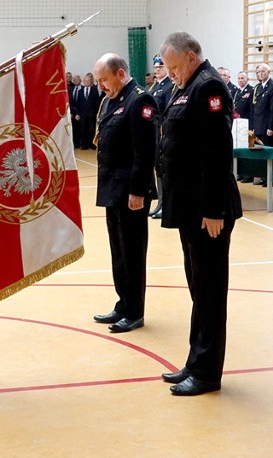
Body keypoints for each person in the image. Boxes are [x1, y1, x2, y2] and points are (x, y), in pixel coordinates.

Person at [158, 32, 242, 396]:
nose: (171, 73)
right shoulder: (186, 87)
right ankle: (196, 361)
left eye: (175, 66)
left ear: (191, 57)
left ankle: (208, 373)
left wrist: (213, 210)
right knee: (198, 289)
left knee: (209, 291)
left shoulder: (209, 88)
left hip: (208, 212)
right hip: (190, 208)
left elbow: (217, 154)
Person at [91, 53, 157, 333]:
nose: (101, 86)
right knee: (118, 251)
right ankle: (123, 303)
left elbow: (145, 152)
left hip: (131, 191)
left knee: (132, 252)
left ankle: (134, 311)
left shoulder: (139, 99)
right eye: (98, 81)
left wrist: (138, 191)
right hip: (112, 188)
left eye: (104, 80)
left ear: (119, 73)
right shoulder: (111, 100)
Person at [148, 54, 174, 220]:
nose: (157, 70)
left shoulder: (168, 87)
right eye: (156, 67)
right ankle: (160, 204)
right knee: (158, 169)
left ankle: (166, 206)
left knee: (164, 170)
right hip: (154, 131)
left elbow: (166, 111)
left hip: (162, 131)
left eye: (160, 67)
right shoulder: (154, 87)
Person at [250, 63, 273, 186]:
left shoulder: (271, 86)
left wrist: (271, 127)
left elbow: (272, 109)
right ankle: (263, 176)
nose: (260, 74)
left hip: (267, 126)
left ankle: (269, 178)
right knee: (260, 153)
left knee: (268, 152)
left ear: (268, 72)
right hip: (258, 125)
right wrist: (253, 126)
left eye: (262, 72)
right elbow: (255, 109)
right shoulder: (258, 87)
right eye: (258, 72)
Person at [75, 74, 99, 149]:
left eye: (88, 80)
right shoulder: (80, 91)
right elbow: (77, 104)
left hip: (92, 114)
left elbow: (97, 103)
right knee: (83, 130)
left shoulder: (94, 91)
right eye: (85, 80)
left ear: (91, 81)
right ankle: (84, 145)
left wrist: (97, 113)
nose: (86, 82)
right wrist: (77, 114)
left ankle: (92, 144)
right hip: (82, 114)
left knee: (91, 130)